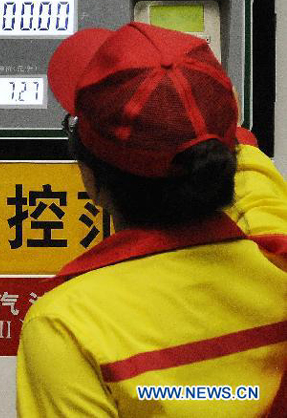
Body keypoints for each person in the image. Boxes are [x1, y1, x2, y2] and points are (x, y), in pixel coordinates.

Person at [16, 22, 287, 417]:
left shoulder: (69, 325)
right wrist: (201, 114)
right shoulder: (276, 260)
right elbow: (253, 177)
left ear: (90, 180)